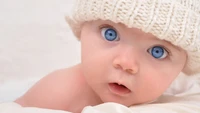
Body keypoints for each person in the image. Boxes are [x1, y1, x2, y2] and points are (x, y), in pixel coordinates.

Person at [15, 0, 200, 113]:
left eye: (157, 51)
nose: (126, 63)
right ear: (82, 29)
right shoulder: (58, 92)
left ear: (183, 66)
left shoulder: (179, 95)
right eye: (110, 34)